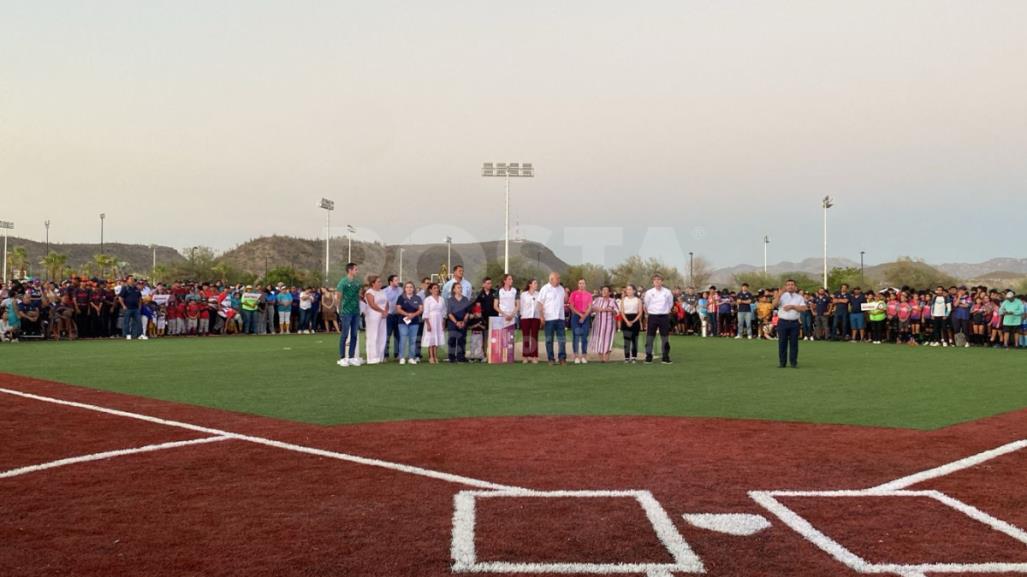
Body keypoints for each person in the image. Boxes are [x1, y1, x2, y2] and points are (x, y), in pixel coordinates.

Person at [773, 279, 806, 368]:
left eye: (792, 284)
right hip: (782, 322)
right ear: (785, 286)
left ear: (795, 287)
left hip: (794, 323)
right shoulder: (782, 296)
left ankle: (793, 363)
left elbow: (803, 308)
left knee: (794, 343)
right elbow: (774, 305)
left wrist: (793, 306)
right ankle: (782, 363)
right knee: (782, 343)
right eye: (788, 285)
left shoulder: (799, 297)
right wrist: (779, 295)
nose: (790, 286)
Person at [336, 263, 363, 367]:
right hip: (346, 312)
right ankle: (342, 358)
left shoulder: (357, 282)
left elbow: (358, 295)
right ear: (350, 270)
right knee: (345, 334)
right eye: (356, 269)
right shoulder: (343, 282)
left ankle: (351, 357)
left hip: (356, 312)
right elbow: (338, 297)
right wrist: (339, 309)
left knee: (354, 335)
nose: (357, 271)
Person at [643, 274, 673, 364]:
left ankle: (665, 357)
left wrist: (665, 311)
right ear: (653, 282)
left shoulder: (667, 292)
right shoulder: (649, 292)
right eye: (655, 280)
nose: (657, 281)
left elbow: (670, 304)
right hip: (652, 316)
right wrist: (651, 312)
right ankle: (648, 356)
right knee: (650, 337)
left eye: (659, 279)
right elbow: (646, 304)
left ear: (662, 281)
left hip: (664, 317)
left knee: (665, 338)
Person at [538, 272, 567, 365]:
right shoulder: (545, 289)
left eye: (559, 278)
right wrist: (541, 316)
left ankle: (562, 358)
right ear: (551, 279)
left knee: (562, 339)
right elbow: (540, 303)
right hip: (549, 318)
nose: (559, 280)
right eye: (557, 278)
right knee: (549, 339)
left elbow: (565, 301)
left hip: (560, 318)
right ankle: (551, 359)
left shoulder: (561, 289)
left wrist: (566, 293)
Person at [394, 281, 423, 365]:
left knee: (413, 341)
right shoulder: (401, 297)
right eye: (407, 287)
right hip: (402, 322)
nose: (409, 289)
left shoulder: (417, 298)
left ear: (413, 288)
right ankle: (402, 357)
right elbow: (398, 309)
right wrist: (407, 314)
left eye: (411, 287)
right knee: (403, 340)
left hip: (414, 322)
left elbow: (421, 309)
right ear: (404, 289)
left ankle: (411, 357)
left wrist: (413, 315)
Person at [588, 286, 618, 362]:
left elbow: (617, 312)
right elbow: (591, 308)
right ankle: (601, 359)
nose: (604, 292)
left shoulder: (612, 301)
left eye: (606, 290)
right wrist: (599, 309)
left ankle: (606, 358)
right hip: (598, 324)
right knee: (599, 339)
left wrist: (611, 310)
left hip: (609, 324)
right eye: (603, 290)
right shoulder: (598, 300)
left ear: (609, 293)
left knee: (608, 340)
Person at [363, 276, 389, 364]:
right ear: (373, 283)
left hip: (383, 316)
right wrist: (381, 311)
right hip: (373, 315)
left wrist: (386, 311)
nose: (380, 283)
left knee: (382, 336)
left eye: (380, 281)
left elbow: (386, 302)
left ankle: (380, 356)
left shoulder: (382, 291)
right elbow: (372, 304)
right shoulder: (369, 292)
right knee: (373, 336)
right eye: (378, 282)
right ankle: (372, 357)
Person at [446, 282, 472, 363]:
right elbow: (449, 313)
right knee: (452, 340)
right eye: (458, 287)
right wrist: (456, 322)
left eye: (460, 287)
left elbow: (467, 312)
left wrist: (463, 321)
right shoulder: (450, 300)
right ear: (454, 289)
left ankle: (461, 357)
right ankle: (452, 357)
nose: (460, 289)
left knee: (462, 340)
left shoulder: (465, 299)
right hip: (453, 322)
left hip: (463, 322)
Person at [569, 279, 592, 364]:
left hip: (586, 317)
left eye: (583, 283)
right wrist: (580, 315)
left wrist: (584, 316)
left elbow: (590, 307)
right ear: (578, 284)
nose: (581, 285)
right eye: (580, 283)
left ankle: (584, 356)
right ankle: (576, 356)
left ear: (585, 285)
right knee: (576, 336)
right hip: (576, 317)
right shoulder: (573, 294)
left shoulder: (589, 295)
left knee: (584, 337)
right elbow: (571, 306)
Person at [475, 277, 499, 360]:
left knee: (494, 337)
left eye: (490, 283)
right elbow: (477, 306)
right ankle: (484, 354)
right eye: (488, 283)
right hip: (484, 319)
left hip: (494, 318)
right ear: (483, 284)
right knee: (484, 337)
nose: (490, 285)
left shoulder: (495, 293)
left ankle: (494, 354)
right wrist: (479, 317)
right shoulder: (479, 294)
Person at [422, 282, 446, 364]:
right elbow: (425, 312)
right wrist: (428, 324)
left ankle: (436, 356)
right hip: (431, 320)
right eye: (434, 288)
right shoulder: (427, 300)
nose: (436, 289)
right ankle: (431, 357)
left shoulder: (442, 299)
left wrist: (443, 322)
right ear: (430, 290)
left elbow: (443, 311)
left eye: (437, 288)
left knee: (436, 339)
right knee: (430, 339)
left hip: (439, 320)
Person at [519, 279, 542, 364]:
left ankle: (534, 356)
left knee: (534, 337)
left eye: (536, 283)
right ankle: (525, 356)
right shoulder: (523, 295)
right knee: (526, 337)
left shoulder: (539, 294)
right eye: (535, 283)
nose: (536, 284)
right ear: (530, 284)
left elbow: (540, 306)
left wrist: (540, 316)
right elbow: (521, 306)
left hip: (536, 318)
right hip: (525, 317)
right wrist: (522, 316)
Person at [619, 285, 642, 362]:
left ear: (634, 291)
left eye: (630, 289)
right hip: (625, 319)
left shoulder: (638, 300)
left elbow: (640, 312)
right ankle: (627, 357)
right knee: (626, 340)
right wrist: (627, 321)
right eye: (627, 289)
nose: (628, 291)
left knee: (634, 340)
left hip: (635, 320)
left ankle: (634, 357)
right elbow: (622, 312)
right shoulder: (623, 300)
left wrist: (633, 321)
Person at [118, 276, 144, 340]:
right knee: (126, 322)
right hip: (128, 308)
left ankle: (138, 334)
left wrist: (140, 306)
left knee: (138, 321)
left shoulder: (136, 288)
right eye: (131, 279)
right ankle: (127, 334)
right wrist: (123, 305)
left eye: (133, 279)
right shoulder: (125, 288)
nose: (132, 280)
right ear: (127, 280)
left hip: (136, 308)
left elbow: (140, 298)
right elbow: (120, 297)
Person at [382, 275, 402, 358]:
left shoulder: (401, 290)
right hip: (389, 316)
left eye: (398, 280)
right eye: (396, 280)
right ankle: (385, 354)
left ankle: (397, 354)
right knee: (387, 335)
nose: (398, 281)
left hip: (399, 315)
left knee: (398, 335)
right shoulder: (384, 291)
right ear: (391, 282)